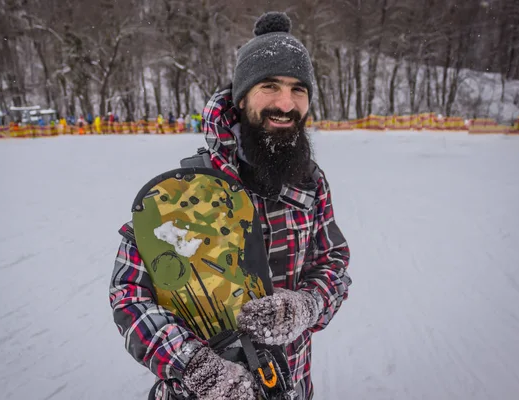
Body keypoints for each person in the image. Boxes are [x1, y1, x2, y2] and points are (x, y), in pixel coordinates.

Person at [109, 11, 351, 400]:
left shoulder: (311, 182)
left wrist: (308, 305)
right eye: (270, 86)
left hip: (290, 386)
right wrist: (193, 365)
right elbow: (129, 294)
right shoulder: (183, 191)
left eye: (298, 90)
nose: (286, 103)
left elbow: (333, 265)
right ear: (241, 98)